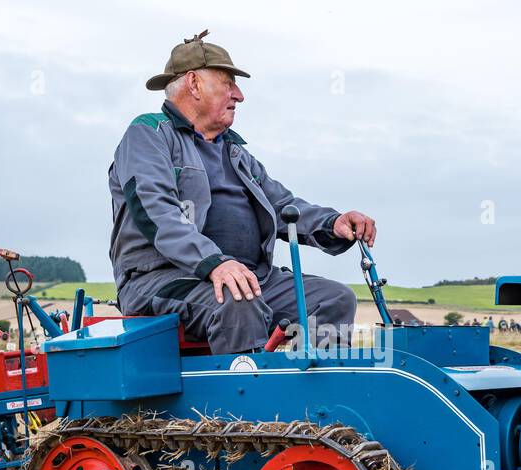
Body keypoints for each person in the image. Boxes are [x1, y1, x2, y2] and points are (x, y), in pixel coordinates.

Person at [108, 31, 376, 354]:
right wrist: (214, 262)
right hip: (166, 279)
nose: (239, 95)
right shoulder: (148, 135)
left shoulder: (236, 153)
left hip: (248, 278)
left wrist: (333, 223)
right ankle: (251, 403)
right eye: (228, 83)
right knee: (239, 301)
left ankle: (315, 401)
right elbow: (157, 214)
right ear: (193, 83)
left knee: (334, 300)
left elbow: (283, 207)